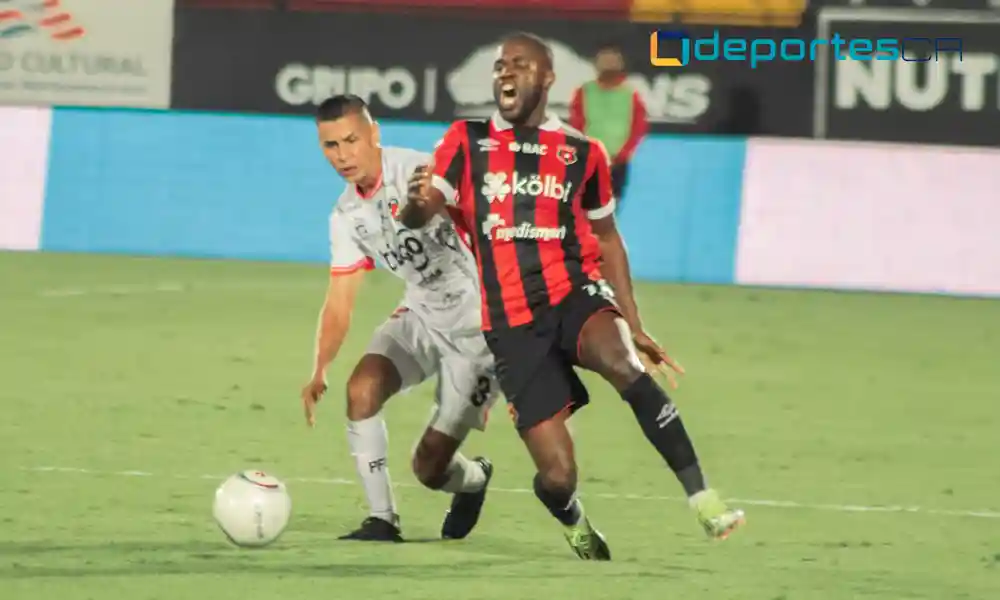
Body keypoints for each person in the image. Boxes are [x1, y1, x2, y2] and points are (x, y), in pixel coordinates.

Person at [401, 33, 744, 560]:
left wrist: (635, 321)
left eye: (519, 64)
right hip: (512, 325)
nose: (505, 73)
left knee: (625, 363)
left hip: (572, 293)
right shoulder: (466, 141)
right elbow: (425, 208)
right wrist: (413, 206)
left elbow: (606, 237)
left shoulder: (582, 153)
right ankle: (575, 520)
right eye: (499, 66)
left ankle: (703, 497)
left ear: (547, 77)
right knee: (558, 477)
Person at [300, 94, 499, 543]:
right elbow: (339, 298)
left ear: (374, 134)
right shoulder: (346, 215)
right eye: (330, 146)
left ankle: (475, 480)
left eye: (351, 140)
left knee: (429, 468)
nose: (343, 155)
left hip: (480, 330)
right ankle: (382, 519)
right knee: (362, 388)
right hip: (422, 313)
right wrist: (319, 369)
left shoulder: (420, 171)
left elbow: (489, 222)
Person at [568, 43, 648, 214]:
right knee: (585, 207)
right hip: (590, 160)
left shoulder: (630, 94)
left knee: (612, 208)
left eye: (612, 63)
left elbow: (638, 127)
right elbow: (576, 123)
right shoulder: (584, 91)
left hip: (618, 162)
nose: (608, 67)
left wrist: (623, 154)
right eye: (604, 62)